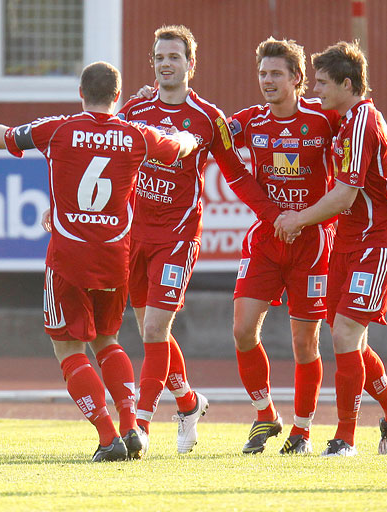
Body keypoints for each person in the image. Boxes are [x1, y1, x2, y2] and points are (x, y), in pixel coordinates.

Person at [0, 61, 197, 462]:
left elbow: (4, 137)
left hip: (69, 256)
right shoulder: (135, 134)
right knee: (108, 341)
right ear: (118, 97)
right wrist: (189, 135)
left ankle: (108, 439)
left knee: (68, 348)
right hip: (114, 257)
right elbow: (177, 146)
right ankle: (131, 428)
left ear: (80, 93)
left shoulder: (59, 129)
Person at [119, 25, 281, 454]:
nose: (165, 65)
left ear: (191, 64)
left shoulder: (208, 118)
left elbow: (237, 174)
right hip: (136, 234)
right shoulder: (135, 109)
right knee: (149, 331)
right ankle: (189, 403)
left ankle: (140, 427)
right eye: (159, 58)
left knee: (155, 329)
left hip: (177, 236)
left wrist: (274, 214)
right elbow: (104, 156)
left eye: (174, 57)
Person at [277, 41, 387, 457]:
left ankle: (345, 438)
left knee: (343, 334)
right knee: (348, 339)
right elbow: (289, 109)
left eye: (322, 82)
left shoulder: (361, 122)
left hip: (378, 242)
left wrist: (296, 218)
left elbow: (342, 196)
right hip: (348, 242)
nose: (314, 90)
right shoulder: (342, 117)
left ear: (346, 83)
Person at [226, 37, 340, 455]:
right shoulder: (249, 121)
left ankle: (303, 431)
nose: (267, 81)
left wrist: (309, 218)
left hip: (311, 244)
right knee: (241, 330)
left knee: (304, 343)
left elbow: (352, 162)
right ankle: (264, 414)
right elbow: (212, 136)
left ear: (297, 78)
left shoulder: (325, 119)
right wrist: (156, 98)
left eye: (276, 74)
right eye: (262, 74)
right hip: (267, 240)